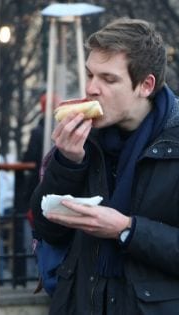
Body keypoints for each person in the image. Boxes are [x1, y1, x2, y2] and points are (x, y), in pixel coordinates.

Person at [31, 18, 179, 314]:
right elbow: (46, 229)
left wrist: (126, 229)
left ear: (145, 85)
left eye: (108, 79)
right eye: (89, 74)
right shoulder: (85, 141)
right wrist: (67, 162)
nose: (90, 88)